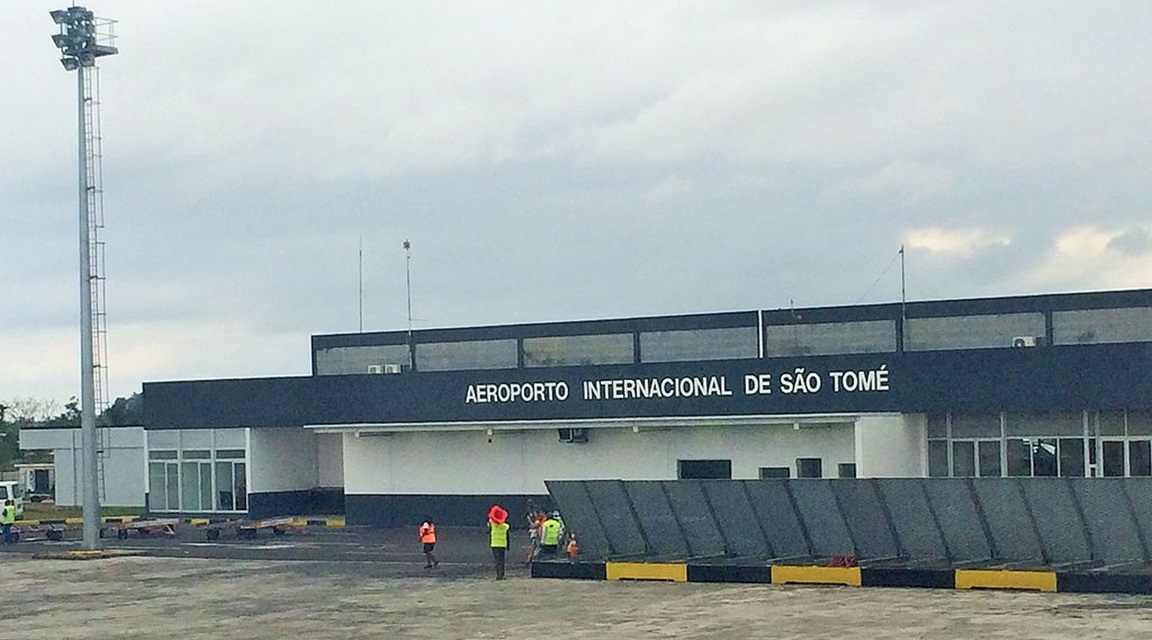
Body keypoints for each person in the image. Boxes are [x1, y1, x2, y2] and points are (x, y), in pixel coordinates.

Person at [488, 504, 510, 580]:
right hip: (503, 544)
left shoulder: (493, 525)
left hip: (494, 544)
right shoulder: (505, 526)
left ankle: (498, 575)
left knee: (497, 561)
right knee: (502, 560)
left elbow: (490, 522)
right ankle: (502, 574)